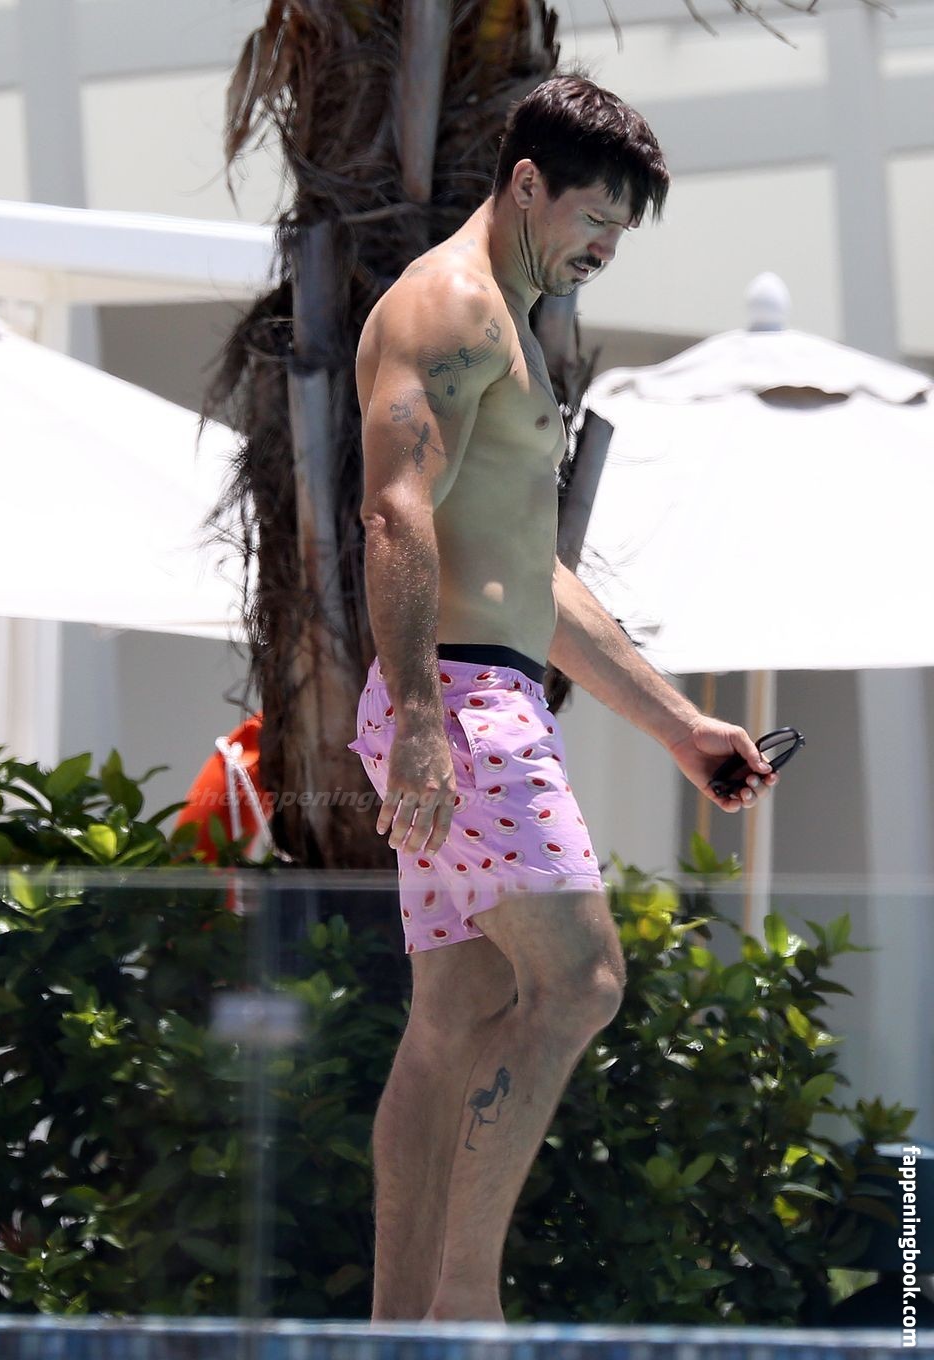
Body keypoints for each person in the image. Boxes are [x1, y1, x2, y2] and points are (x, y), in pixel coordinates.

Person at [347, 75, 779, 1322]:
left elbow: (527, 574)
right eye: (596, 218)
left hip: (468, 690)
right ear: (527, 183)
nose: (605, 249)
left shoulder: (508, 322)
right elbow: (394, 512)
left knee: (456, 1011)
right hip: (461, 703)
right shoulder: (453, 307)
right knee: (582, 980)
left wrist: (679, 725)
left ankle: (396, 1332)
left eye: (622, 232)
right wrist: (420, 719)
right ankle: (465, 1308)